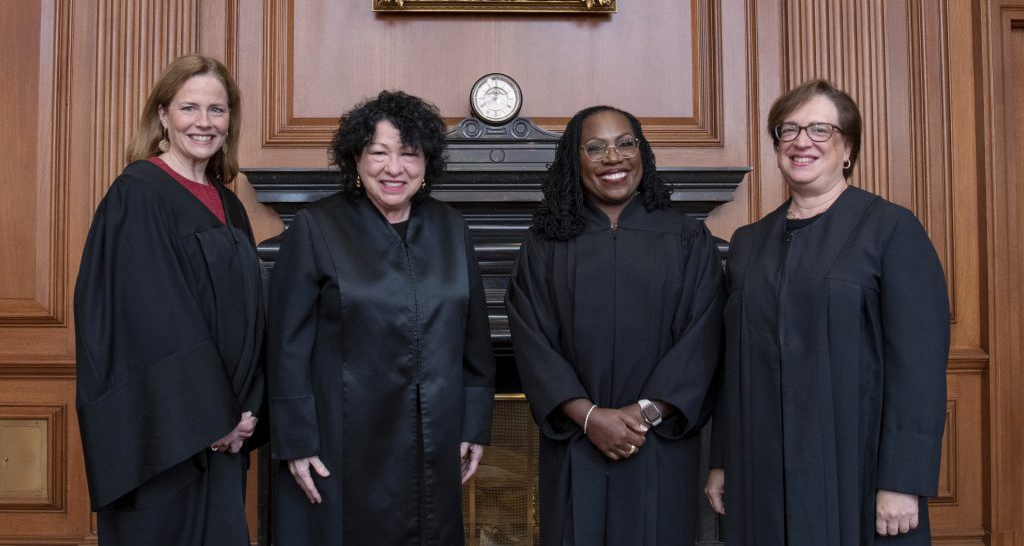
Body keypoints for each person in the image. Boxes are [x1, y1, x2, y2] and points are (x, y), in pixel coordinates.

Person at [704, 79, 951, 545]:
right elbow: (732, 366)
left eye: (820, 129)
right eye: (788, 129)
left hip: (857, 465)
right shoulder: (748, 244)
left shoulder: (891, 230)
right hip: (762, 468)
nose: (802, 142)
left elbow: (917, 368)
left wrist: (902, 480)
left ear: (847, 148)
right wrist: (723, 460)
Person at [267, 90, 495, 545]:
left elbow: (475, 341)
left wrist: (474, 424)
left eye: (409, 154)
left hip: (435, 434)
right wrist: (296, 441)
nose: (395, 168)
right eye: (379, 153)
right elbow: (286, 345)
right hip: (342, 440)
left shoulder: (452, 228)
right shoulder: (316, 228)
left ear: (427, 161)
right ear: (355, 158)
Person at [505, 105, 725, 545]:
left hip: (658, 444)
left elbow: (703, 337)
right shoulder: (547, 243)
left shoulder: (685, 237)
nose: (614, 157)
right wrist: (588, 417)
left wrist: (643, 415)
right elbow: (532, 338)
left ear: (642, 152)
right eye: (596, 147)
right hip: (575, 443)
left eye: (626, 143)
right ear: (575, 159)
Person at [74, 55, 265, 545]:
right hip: (167, 437)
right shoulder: (138, 194)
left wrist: (248, 411)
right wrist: (213, 414)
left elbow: (251, 316)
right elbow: (151, 317)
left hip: (226, 431)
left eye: (217, 110)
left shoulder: (229, 205)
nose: (204, 122)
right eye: (190, 107)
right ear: (162, 115)